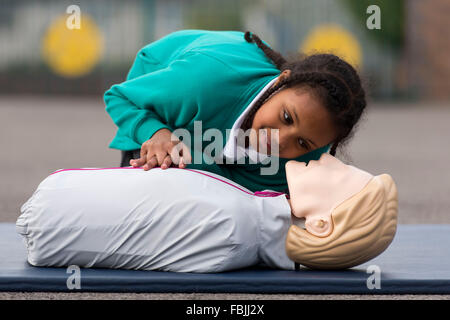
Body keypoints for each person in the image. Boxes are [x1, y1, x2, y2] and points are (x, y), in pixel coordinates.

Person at [16, 153, 398, 272]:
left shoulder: (233, 223)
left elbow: (59, 214)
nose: (329, 157)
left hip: (54, 206)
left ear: (318, 223)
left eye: (341, 174)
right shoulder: (245, 218)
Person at [103, 29, 367, 192]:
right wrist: (158, 133)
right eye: (286, 117)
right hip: (158, 105)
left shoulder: (307, 157)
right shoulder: (199, 83)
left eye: (301, 142)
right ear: (280, 81)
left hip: (213, 147)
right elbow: (120, 97)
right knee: (157, 195)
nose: (279, 140)